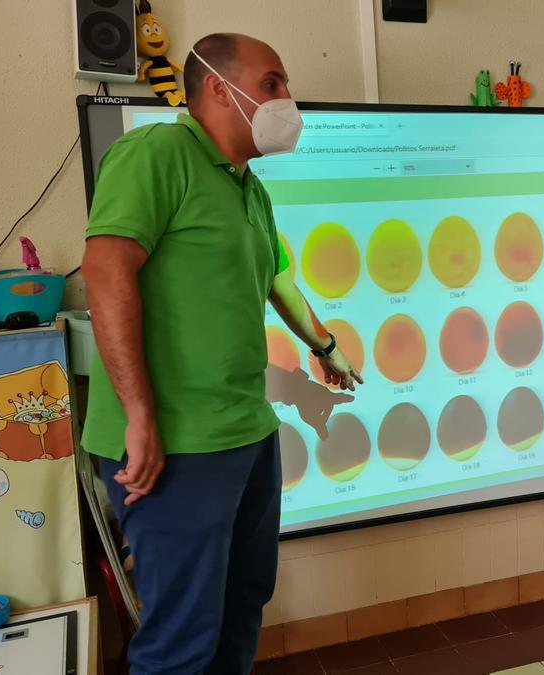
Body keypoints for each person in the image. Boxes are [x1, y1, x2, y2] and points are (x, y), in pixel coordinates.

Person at [81, 33, 362, 675]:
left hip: (246, 430)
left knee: (242, 605)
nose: (286, 99)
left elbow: (277, 279)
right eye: (272, 83)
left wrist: (326, 347)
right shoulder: (157, 152)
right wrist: (139, 416)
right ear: (216, 86)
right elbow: (106, 271)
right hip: (175, 446)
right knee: (181, 637)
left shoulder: (247, 187)